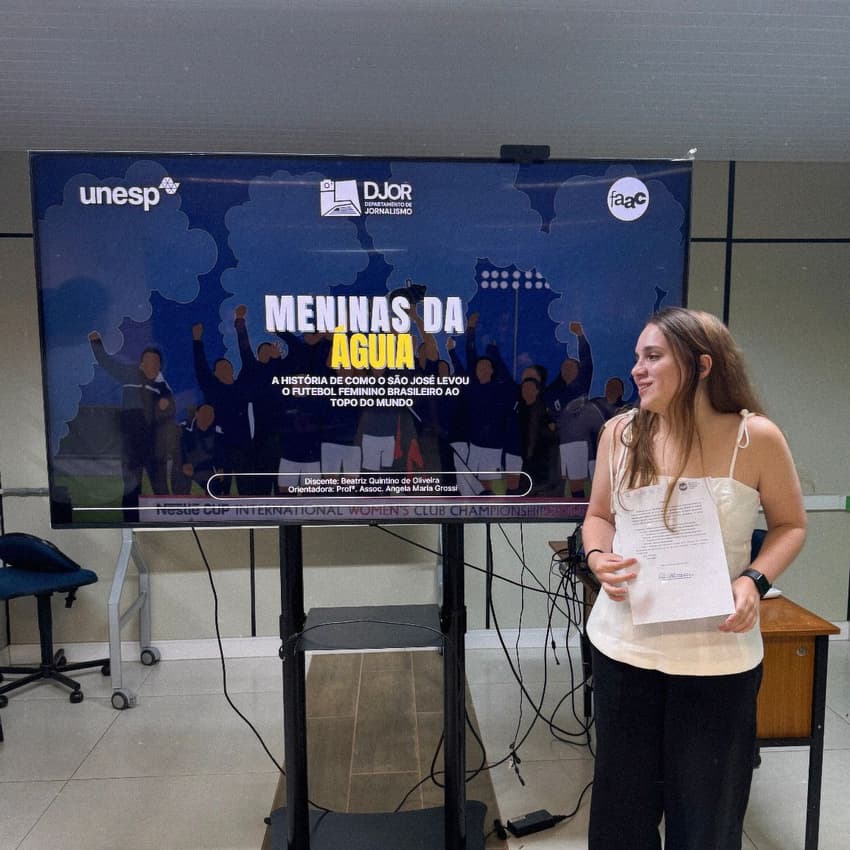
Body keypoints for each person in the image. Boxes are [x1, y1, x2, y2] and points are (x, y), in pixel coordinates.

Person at [581, 307, 806, 850]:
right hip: (623, 650)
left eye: (653, 356)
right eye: (637, 357)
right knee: (621, 819)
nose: (637, 369)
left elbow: (791, 525)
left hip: (716, 661)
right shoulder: (620, 433)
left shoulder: (756, 438)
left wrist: (753, 579)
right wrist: (595, 555)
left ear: (702, 365)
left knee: (705, 820)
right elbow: (598, 517)